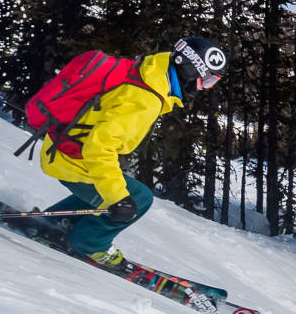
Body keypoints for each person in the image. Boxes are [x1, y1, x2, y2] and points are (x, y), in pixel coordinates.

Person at [38, 35, 226, 268]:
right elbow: (100, 147)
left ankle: (51, 223)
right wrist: (118, 198)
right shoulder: (145, 98)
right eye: (205, 81)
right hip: (73, 158)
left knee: (108, 187)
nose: (202, 89)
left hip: (62, 145)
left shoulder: (149, 71)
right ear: (189, 69)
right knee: (137, 198)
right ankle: (90, 243)